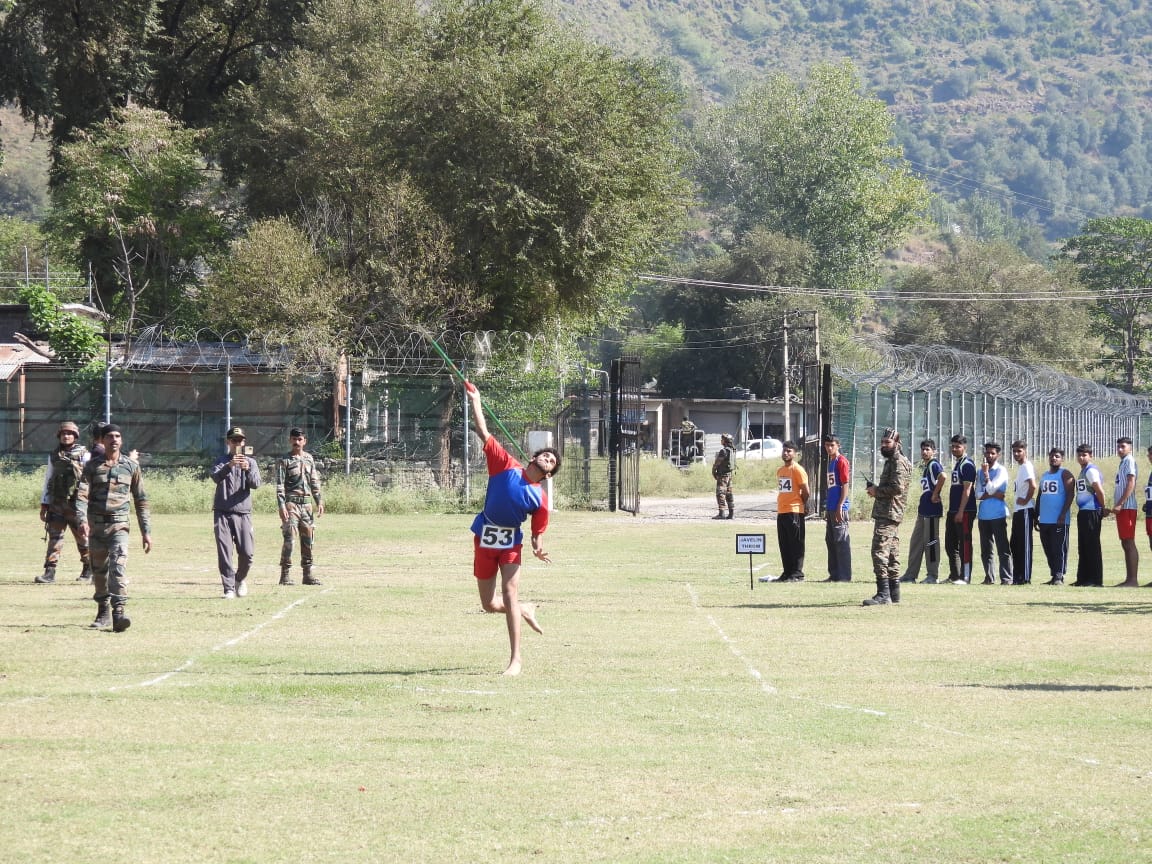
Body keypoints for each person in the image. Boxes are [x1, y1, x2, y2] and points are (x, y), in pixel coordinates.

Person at [465, 381, 559, 676]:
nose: (548, 458)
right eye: (546, 455)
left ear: (548, 475)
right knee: (489, 604)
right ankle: (524, 609)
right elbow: (483, 432)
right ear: (534, 458)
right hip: (485, 535)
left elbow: (537, 530)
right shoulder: (504, 464)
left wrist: (538, 546)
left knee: (509, 591)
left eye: (553, 461)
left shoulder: (539, 497)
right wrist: (476, 400)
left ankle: (515, 660)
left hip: (510, 544)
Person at [75, 424, 151, 632]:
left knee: (118, 567)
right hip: (96, 527)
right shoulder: (92, 467)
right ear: (103, 440)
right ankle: (103, 611)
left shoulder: (131, 466)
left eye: (118, 436)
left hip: (119, 526)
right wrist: (82, 520)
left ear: (122, 440)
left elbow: (141, 500)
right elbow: (81, 495)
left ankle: (119, 612)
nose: (114, 440)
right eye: (110, 436)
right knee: (99, 571)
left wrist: (146, 532)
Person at [35, 420, 93, 584]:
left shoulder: (85, 455)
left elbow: (90, 480)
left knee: (82, 538)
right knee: (55, 538)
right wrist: (44, 504)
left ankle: (88, 569)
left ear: (75, 436)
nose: (66, 436)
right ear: (59, 436)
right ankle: (49, 572)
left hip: (77, 505)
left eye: (69, 434)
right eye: (63, 434)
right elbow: (48, 479)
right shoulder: (53, 456)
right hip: (57, 504)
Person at [862, 428, 912, 606]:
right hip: (889, 512)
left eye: (887, 442)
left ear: (897, 443)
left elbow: (897, 488)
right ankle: (893, 592)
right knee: (891, 553)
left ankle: (883, 594)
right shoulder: (892, 461)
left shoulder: (898, 462)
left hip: (889, 513)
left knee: (879, 552)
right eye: (882, 442)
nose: (883, 445)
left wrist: (877, 491)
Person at [211, 426, 262, 599]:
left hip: (243, 513)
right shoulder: (221, 460)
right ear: (228, 442)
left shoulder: (251, 462)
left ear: (244, 442)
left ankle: (239, 579)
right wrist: (229, 465)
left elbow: (256, 484)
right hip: (222, 512)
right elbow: (215, 477)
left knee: (247, 554)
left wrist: (247, 468)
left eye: (240, 440)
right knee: (225, 552)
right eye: (234, 440)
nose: (237, 443)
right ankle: (228, 588)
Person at [276, 427, 325, 586]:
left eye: (300, 440)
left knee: (308, 540)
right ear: (290, 440)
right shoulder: (285, 460)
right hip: (291, 504)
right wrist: (282, 505)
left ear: (304, 441)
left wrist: (319, 500)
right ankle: (285, 574)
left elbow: (314, 481)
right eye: (294, 439)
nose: (297, 442)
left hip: (306, 505)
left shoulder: (309, 459)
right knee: (289, 538)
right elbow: (280, 485)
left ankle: (307, 574)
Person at [901, 439, 945, 584]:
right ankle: (910, 574)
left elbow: (943, 476)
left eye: (928, 449)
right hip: (923, 510)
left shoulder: (933, 464)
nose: (925, 452)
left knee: (931, 542)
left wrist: (935, 494)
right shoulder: (925, 467)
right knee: (916, 541)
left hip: (932, 510)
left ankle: (932, 575)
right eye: (923, 449)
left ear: (934, 451)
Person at [975, 441, 1013, 585]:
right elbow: (977, 494)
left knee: (1002, 548)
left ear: (998, 455)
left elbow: (990, 488)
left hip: (998, 514)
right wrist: (993, 494)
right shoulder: (979, 472)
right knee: (986, 549)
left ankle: (1007, 578)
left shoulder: (1001, 470)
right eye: (987, 452)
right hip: (983, 514)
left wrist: (986, 474)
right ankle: (989, 577)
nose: (989, 455)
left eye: (993, 453)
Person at [1036, 448, 1075, 586]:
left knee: (1059, 549)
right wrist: (1036, 515)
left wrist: (1063, 513)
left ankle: (1059, 576)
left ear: (1062, 459)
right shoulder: (1045, 475)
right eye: (1051, 456)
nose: (1054, 458)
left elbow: (1071, 494)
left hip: (1058, 520)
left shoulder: (1065, 474)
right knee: (1048, 549)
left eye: (1057, 456)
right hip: (1045, 520)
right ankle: (1053, 575)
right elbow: (1040, 495)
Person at [774, 440, 810, 582]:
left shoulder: (797, 469)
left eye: (789, 451)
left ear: (795, 454)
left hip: (794, 511)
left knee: (796, 543)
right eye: (784, 450)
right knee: (784, 543)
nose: (786, 453)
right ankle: (787, 572)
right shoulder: (780, 470)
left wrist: (800, 504)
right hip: (782, 511)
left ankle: (797, 574)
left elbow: (806, 491)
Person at [1072, 443, 1107, 587]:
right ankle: (1083, 578)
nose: (1081, 457)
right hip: (1084, 512)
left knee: (1092, 545)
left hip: (1092, 511)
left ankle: (1095, 579)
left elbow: (1099, 491)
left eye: (1084, 455)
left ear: (1090, 456)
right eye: (1079, 455)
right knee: (1083, 546)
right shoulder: (1083, 470)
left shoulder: (1091, 470)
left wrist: (1103, 508)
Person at [944, 434, 978, 584]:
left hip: (964, 511)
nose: (954, 449)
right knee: (950, 544)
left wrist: (960, 511)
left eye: (957, 446)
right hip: (953, 510)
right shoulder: (958, 464)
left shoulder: (968, 464)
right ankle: (955, 575)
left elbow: (967, 490)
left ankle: (966, 577)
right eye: (953, 446)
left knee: (964, 544)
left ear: (964, 447)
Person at [822, 434, 852, 582]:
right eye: (827, 445)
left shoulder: (842, 461)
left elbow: (845, 485)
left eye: (832, 445)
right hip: (831, 507)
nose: (829, 448)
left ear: (838, 445)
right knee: (830, 540)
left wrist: (841, 504)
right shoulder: (831, 462)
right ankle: (834, 574)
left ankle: (844, 575)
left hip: (840, 507)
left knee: (841, 541)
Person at [1113, 436, 1139, 587]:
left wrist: (1121, 503)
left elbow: (1131, 482)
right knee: (1125, 542)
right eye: (1118, 447)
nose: (1120, 449)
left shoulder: (1129, 461)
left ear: (1130, 448)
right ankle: (1129, 578)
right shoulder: (1123, 462)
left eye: (1123, 446)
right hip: (1123, 508)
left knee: (1129, 542)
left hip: (1127, 507)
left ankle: (1133, 580)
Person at [1009, 440, 1036, 585]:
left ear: (1025, 451)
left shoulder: (1026, 466)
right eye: (1014, 451)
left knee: (1024, 544)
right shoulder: (1021, 468)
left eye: (1019, 451)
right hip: (1018, 511)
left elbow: (1033, 485)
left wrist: (1026, 500)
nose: (1016, 454)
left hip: (1025, 510)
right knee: (1015, 543)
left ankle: (1025, 577)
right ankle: (1017, 575)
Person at [711, 433, 735, 520]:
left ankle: (721, 514)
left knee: (720, 493)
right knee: (729, 494)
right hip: (729, 475)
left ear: (725, 441)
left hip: (723, 475)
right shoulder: (732, 450)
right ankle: (731, 514)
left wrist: (713, 470)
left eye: (722, 439)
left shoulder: (724, 451)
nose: (721, 441)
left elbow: (717, 462)